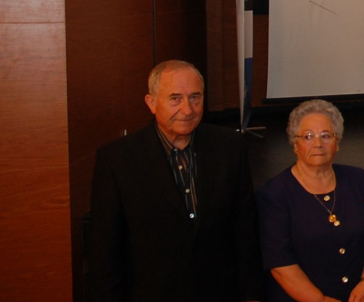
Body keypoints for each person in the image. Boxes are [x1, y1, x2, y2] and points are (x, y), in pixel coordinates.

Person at [88, 60, 263, 302]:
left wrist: (252, 295)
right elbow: (104, 253)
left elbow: (245, 231)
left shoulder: (230, 148)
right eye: (175, 99)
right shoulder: (117, 160)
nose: (188, 109)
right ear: (151, 103)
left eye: (195, 97)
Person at [258, 100, 364, 302]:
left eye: (326, 136)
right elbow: (280, 265)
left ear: (338, 142)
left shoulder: (357, 179)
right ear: (294, 143)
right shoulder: (275, 194)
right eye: (308, 136)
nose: (317, 144)